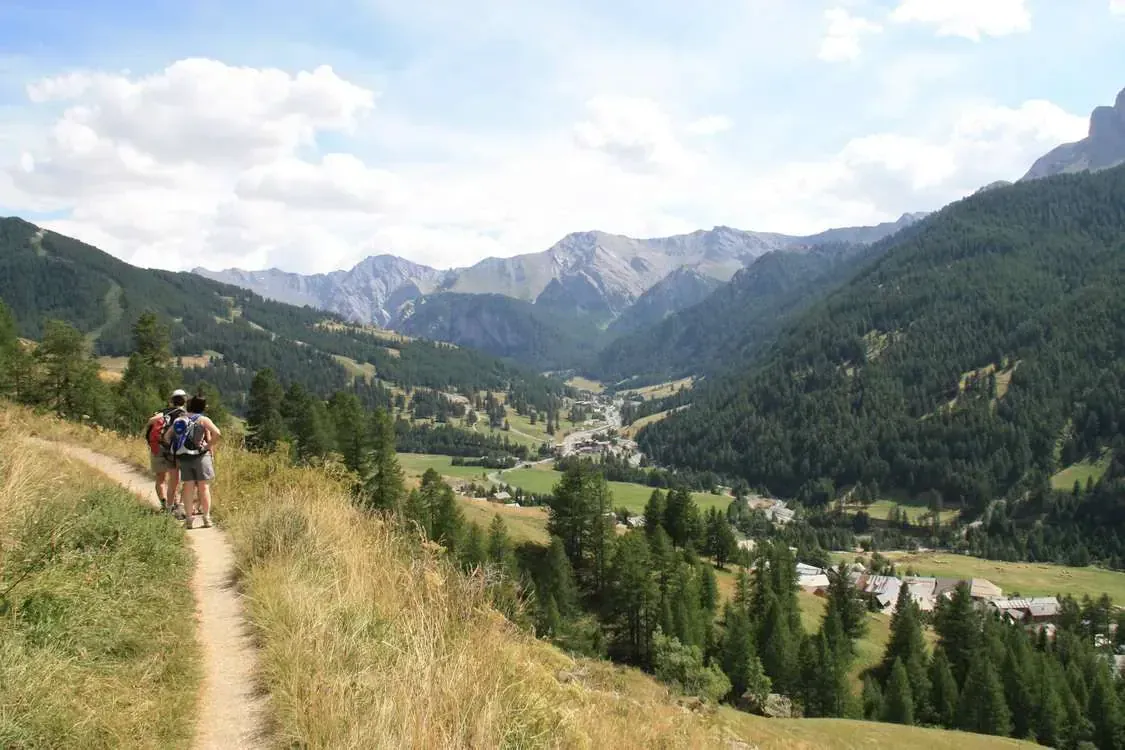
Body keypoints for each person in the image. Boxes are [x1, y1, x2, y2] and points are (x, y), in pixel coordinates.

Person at [176, 394, 221, 530]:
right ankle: (206, 518)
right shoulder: (203, 419)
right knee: (204, 488)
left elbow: (168, 436)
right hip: (201, 456)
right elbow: (217, 433)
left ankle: (189, 519)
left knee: (188, 487)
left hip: (184, 456)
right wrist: (207, 446)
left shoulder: (181, 419)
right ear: (202, 407)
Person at [146, 389, 188, 513]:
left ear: (171, 401)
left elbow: (150, 422)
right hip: (174, 449)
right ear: (184, 400)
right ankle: (175, 503)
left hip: (157, 447)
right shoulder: (184, 414)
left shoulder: (162, 412)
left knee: (160, 478)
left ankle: (164, 504)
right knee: (175, 478)